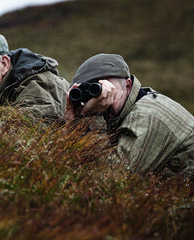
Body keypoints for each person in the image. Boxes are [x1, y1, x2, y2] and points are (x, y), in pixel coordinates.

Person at [65, 53, 194, 180]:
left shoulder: (147, 115)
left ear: (128, 85)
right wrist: (72, 122)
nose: (101, 100)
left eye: (109, 92)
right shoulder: (126, 110)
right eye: (94, 94)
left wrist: (94, 116)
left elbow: (110, 179)